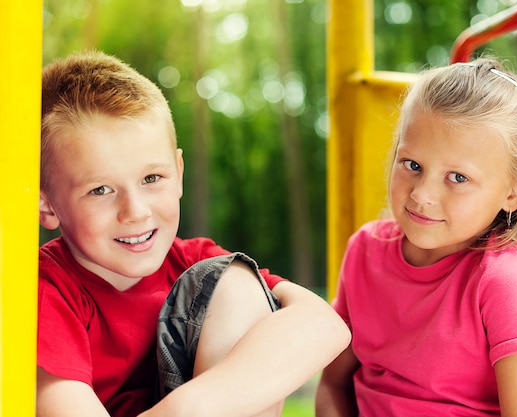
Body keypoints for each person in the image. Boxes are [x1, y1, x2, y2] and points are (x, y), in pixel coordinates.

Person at [37, 50, 351, 417]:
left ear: (179, 172)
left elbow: (327, 326)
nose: (136, 212)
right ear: (47, 205)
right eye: (100, 190)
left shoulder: (194, 262)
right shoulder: (47, 289)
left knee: (232, 279)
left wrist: (188, 408)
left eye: (151, 178)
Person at [315, 58, 517, 417]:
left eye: (458, 178)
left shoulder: (504, 281)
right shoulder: (366, 251)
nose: (422, 195)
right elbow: (333, 383)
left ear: (516, 191)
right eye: (412, 165)